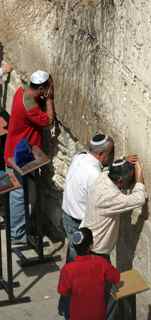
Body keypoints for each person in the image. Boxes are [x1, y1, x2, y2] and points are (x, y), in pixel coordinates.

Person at [4, 70, 55, 243]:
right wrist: (49, 100)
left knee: (20, 193)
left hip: (13, 151)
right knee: (19, 194)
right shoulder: (31, 108)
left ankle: (19, 228)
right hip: (21, 157)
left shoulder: (21, 92)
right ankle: (17, 235)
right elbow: (48, 121)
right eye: (48, 87)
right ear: (42, 89)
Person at [62, 133, 114, 261]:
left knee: (74, 255)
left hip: (67, 215)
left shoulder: (80, 157)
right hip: (80, 223)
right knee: (83, 263)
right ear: (101, 154)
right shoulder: (94, 175)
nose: (112, 156)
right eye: (111, 153)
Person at [81, 158, 147, 259]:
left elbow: (109, 169)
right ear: (120, 180)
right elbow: (139, 198)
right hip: (96, 250)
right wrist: (139, 174)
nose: (130, 184)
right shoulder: (109, 196)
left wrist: (123, 161)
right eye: (129, 180)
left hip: (88, 242)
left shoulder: (103, 177)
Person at [58, 227, 120, 320]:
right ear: (91, 245)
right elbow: (116, 277)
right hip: (98, 314)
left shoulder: (67, 269)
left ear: (74, 247)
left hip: (77, 315)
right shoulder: (101, 262)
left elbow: (63, 291)